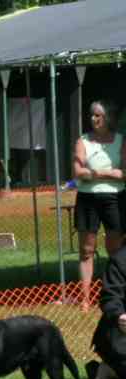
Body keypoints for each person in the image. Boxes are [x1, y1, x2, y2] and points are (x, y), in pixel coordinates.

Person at [72, 99, 126, 312]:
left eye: (98, 115)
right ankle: (85, 300)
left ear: (108, 119)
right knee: (86, 250)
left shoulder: (121, 140)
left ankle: (114, 294)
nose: (93, 119)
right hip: (87, 200)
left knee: (115, 249)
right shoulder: (82, 141)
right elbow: (77, 173)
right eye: (92, 115)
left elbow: (124, 174)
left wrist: (93, 173)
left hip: (115, 199)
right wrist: (109, 173)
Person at [89, 243, 126, 379]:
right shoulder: (120, 260)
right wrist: (120, 315)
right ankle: (108, 369)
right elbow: (110, 298)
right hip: (120, 331)